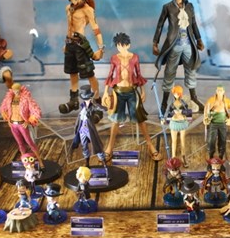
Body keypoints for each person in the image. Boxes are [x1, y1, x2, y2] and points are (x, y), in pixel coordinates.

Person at [102, 32, 163, 162]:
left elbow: (138, 74)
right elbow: (110, 75)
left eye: (123, 45)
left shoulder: (135, 57)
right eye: (118, 45)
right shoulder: (114, 58)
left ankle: (150, 146)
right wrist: (105, 92)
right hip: (118, 92)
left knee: (140, 119)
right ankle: (109, 148)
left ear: (128, 45)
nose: (121, 47)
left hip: (132, 92)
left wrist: (143, 91)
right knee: (115, 120)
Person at [153, 0, 205, 113]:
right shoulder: (168, 7)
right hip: (174, 45)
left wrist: (199, 39)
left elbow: (193, 24)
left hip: (188, 44)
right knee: (170, 71)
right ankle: (164, 101)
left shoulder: (190, 7)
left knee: (191, 69)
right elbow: (160, 25)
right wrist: (155, 43)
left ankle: (194, 97)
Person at [59, 0, 105, 114]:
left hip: (80, 45)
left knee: (89, 73)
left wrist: (101, 48)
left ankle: (97, 101)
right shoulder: (68, 8)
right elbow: (69, 27)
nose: (73, 2)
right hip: (70, 44)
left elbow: (96, 29)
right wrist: (66, 43)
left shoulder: (88, 9)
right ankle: (73, 100)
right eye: (70, 0)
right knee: (72, 72)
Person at [0, 83, 44, 169]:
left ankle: (40, 161)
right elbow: (3, 109)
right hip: (13, 124)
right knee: (20, 143)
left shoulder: (26, 99)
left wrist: (29, 120)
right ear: (12, 90)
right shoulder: (9, 98)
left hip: (22, 124)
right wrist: (8, 119)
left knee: (30, 142)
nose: (16, 92)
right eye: (14, 90)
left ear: (20, 89)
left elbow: (35, 110)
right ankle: (24, 162)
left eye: (17, 90)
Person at [72, 85, 106, 168]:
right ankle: (87, 162)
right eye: (85, 98)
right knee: (84, 146)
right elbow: (80, 118)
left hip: (89, 129)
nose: (86, 100)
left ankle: (103, 161)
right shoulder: (82, 106)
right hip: (82, 129)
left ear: (90, 98)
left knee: (96, 145)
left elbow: (103, 109)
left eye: (88, 98)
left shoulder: (93, 106)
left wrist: (96, 104)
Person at [203, 85, 230, 161]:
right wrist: (205, 118)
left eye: (221, 90)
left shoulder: (226, 101)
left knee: (223, 141)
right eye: (218, 90)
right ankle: (210, 157)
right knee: (211, 141)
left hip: (222, 123)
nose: (219, 92)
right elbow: (206, 108)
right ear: (216, 91)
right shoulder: (211, 100)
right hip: (213, 123)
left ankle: (221, 157)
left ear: (224, 91)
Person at [163, 84, 190, 166]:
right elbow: (168, 114)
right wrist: (165, 120)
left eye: (178, 93)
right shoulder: (171, 104)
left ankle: (183, 156)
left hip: (182, 123)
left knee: (182, 141)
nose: (176, 95)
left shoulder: (184, 104)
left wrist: (182, 113)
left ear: (180, 94)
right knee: (173, 141)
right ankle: (173, 157)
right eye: (175, 93)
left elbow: (189, 114)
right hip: (174, 123)